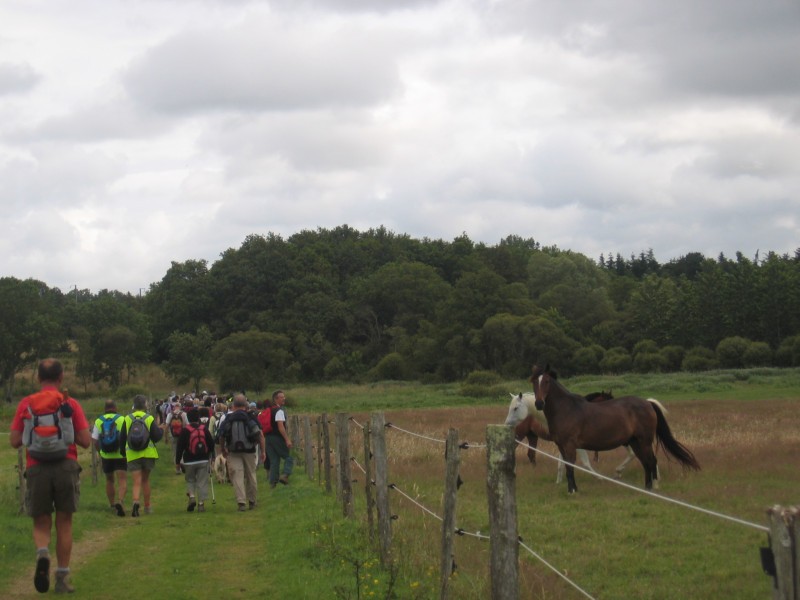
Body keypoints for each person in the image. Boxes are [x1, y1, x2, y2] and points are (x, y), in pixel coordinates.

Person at [9, 358, 91, 594]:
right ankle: (62, 580)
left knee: (41, 521)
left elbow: (14, 441)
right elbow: (85, 441)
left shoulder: (26, 403)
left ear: (37, 378)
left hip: (36, 467)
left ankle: (42, 553)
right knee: (64, 522)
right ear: (61, 377)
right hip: (66, 465)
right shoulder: (69, 403)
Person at [219, 394, 265, 511]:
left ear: (233, 405)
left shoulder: (228, 418)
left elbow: (221, 435)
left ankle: (241, 502)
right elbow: (260, 435)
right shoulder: (251, 417)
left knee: (237, 476)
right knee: (251, 475)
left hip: (233, 451)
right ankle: (252, 501)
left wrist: (223, 449)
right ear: (246, 405)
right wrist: (263, 451)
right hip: (249, 450)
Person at [119, 395, 163, 517]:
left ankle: (135, 502)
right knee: (145, 480)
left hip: (132, 454)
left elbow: (122, 438)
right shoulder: (148, 418)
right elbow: (156, 436)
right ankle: (147, 507)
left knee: (136, 481)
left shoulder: (127, 419)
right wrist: (161, 430)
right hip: (148, 453)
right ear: (145, 405)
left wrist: (123, 453)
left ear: (134, 406)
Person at [174, 408, 215, 513]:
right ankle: (201, 504)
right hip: (203, 460)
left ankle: (192, 496)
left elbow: (179, 448)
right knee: (202, 482)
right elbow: (211, 444)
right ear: (198, 418)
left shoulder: (185, 431)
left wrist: (178, 462)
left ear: (188, 418)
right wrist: (212, 457)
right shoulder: (204, 429)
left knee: (190, 479)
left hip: (189, 460)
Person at [91, 400, 127, 516]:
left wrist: (100, 452)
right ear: (115, 408)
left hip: (106, 455)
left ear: (105, 409)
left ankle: (112, 504)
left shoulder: (98, 421)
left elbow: (95, 440)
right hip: (120, 454)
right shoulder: (122, 419)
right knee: (122, 480)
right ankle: (120, 501)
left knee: (109, 480)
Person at [265, 389, 294, 489]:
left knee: (274, 461)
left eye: (284, 397)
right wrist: (287, 439)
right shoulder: (279, 411)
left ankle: (272, 484)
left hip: (267, 438)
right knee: (289, 457)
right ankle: (285, 475)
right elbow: (280, 426)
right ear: (276, 399)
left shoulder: (269, 410)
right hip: (276, 437)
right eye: (281, 397)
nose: (284, 398)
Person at [165, 402, 188, 474]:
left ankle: (178, 469)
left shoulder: (170, 414)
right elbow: (187, 425)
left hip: (172, 435)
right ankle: (182, 462)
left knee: (175, 451)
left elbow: (167, 426)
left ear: (174, 407)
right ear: (180, 407)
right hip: (183, 435)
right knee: (183, 450)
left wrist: (166, 436)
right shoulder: (184, 414)